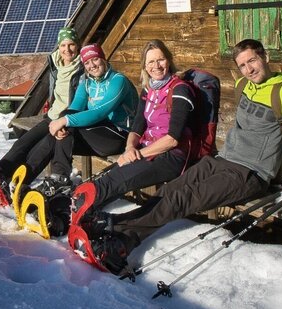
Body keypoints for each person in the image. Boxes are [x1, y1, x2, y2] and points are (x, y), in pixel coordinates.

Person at [88, 39, 282, 274]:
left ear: (265, 57)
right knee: (173, 189)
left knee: (182, 199)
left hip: (251, 173)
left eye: (252, 60)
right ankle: (116, 225)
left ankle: (122, 242)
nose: (249, 69)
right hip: (222, 160)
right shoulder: (244, 85)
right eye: (242, 65)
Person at [69, 40, 203, 225]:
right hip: (147, 149)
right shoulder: (148, 89)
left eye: (160, 60)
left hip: (172, 156)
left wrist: (137, 154)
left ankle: (84, 214)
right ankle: (83, 212)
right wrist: (130, 147)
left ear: (169, 61)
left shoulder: (180, 89)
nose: (156, 66)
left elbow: (172, 139)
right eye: (150, 62)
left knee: (117, 179)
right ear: (145, 67)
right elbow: (137, 126)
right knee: (109, 176)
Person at [24, 42, 138, 194]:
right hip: (96, 133)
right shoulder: (87, 83)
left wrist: (64, 121)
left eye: (95, 59)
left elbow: (100, 112)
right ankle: (25, 179)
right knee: (58, 134)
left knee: (67, 125)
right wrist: (62, 123)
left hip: (119, 135)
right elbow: (74, 108)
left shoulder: (118, 80)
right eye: (87, 62)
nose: (92, 65)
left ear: (103, 59)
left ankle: (60, 179)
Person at [0, 27, 84, 197]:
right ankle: (0, 174)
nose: (67, 50)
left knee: (41, 149)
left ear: (77, 46)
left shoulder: (83, 70)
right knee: (24, 142)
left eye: (71, 45)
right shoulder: (54, 64)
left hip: (68, 119)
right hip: (51, 116)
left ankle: (20, 184)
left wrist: (65, 121)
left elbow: (81, 102)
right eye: (63, 45)